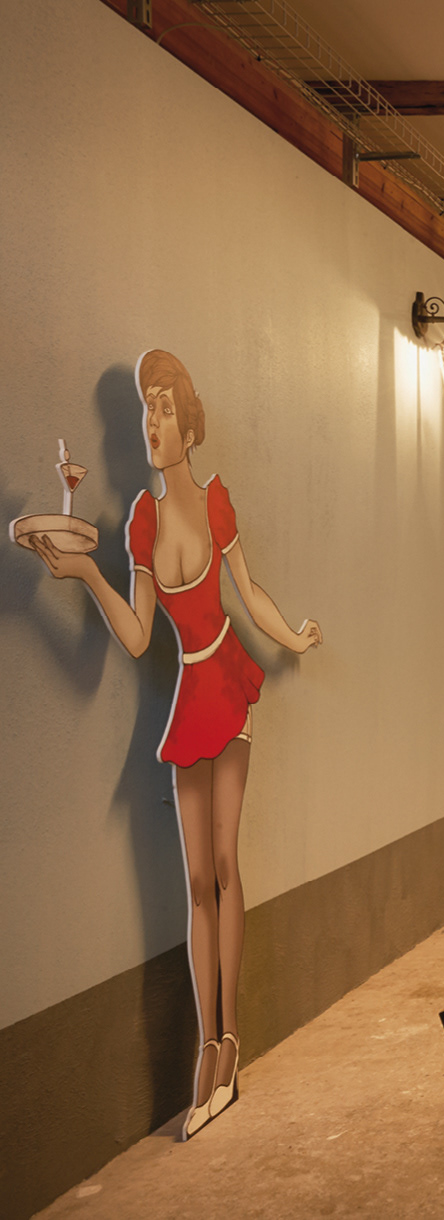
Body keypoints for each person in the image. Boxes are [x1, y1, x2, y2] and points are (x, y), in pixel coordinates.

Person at [28, 350, 322, 1140]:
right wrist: (86, 574)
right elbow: (136, 637)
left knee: (225, 864)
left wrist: (293, 637)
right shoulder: (144, 522)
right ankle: (208, 1043)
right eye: (145, 410)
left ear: (189, 427)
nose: (151, 423)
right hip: (190, 693)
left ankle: (232, 1039)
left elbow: (247, 592)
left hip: (229, 679)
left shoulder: (216, 501)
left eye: (163, 409)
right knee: (197, 881)